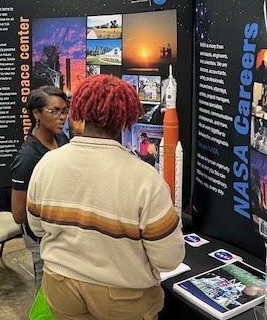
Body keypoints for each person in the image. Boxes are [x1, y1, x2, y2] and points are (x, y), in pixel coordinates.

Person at [27, 74, 184, 320]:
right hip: (123, 296)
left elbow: (36, 227)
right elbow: (168, 258)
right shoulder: (145, 178)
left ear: (80, 111)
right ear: (126, 117)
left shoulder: (48, 163)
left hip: (59, 285)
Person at [10, 86, 69, 287]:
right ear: (36, 113)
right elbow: (19, 214)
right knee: (45, 289)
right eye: (54, 111)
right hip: (41, 236)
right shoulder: (28, 157)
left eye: (64, 111)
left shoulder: (61, 140)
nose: (61, 117)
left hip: (62, 231)